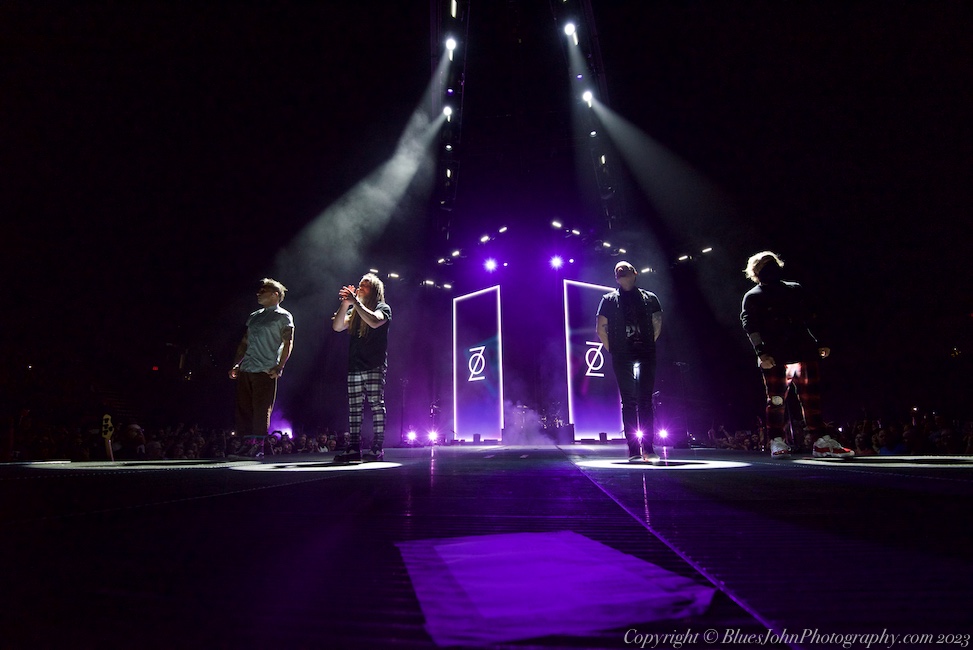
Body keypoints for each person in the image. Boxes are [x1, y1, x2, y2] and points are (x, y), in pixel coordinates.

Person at [740, 251, 852, 459]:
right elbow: (750, 326)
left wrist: (821, 341)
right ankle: (777, 440)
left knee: (812, 399)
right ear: (756, 271)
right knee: (776, 400)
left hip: (804, 350)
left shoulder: (794, 289)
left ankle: (820, 440)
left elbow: (811, 316)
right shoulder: (753, 295)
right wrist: (761, 352)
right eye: (764, 264)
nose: (770, 267)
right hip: (775, 355)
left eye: (772, 262)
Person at [596, 261, 663, 462]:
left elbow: (657, 323)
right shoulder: (608, 300)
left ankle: (647, 448)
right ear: (616, 277)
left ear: (635, 273)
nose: (621, 271)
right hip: (623, 355)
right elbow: (600, 328)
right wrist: (615, 350)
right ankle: (634, 449)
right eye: (618, 270)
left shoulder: (650, 298)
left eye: (625, 269)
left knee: (644, 400)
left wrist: (647, 346)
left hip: (645, 353)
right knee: (629, 401)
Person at [229, 278, 295, 457]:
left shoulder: (283, 316)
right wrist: (237, 363)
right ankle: (246, 444)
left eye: (263, 291)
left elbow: (288, 342)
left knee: (261, 408)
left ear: (275, 295)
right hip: (247, 367)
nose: (258, 293)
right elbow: (245, 342)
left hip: (265, 369)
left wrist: (280, 366)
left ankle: (258, 446)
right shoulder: (254, 316)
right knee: (244, 408)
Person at [331, 273, 392, 463]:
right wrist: (345, 304)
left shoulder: (383, 308)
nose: (360, 288)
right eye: (360, 285)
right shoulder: (355, 310)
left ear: (374, 290)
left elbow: (374, 321)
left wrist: (355, 302)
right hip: (355, 365)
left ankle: (377, 447)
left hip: (374, 364)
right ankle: (354, 447)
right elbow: (337, 327)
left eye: (365, 285)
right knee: (354, 408)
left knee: (376, 405)